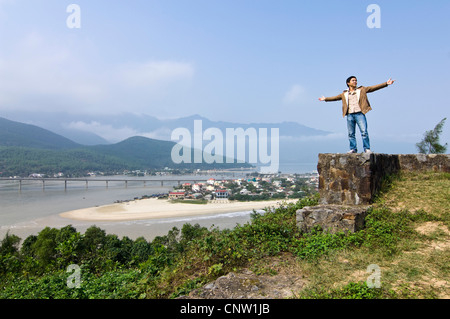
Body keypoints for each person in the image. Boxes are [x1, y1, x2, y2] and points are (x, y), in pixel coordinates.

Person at [319, 76, 395, 153]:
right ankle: (353, 149)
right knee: (351, 133)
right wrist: (325, 99)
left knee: (364, 132)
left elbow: (373, 88)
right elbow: (335, 98)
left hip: (360, 114)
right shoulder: (344, 93)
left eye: (356, 80)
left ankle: (367, 148)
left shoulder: (361, 90)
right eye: (353, 80)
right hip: (350, 115)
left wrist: (386, 83)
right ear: (348, 83)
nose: (355, 82)